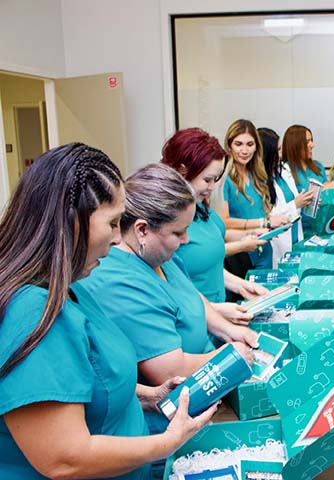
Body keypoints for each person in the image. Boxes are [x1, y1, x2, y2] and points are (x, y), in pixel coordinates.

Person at [0, 144, 214, 479]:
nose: (118, 239)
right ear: (71, 223)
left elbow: (88, 381)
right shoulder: (30, 313)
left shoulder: (74, 284)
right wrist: (168, 441)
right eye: (113, 223)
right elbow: (64, 458)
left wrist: (146, 395)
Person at [80, 164, 258, 442]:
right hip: (164, 428)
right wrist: (229, 356)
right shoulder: (118, 279)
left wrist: (227, 329)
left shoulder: (158, 255)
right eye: (178, 233)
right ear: (142, 230)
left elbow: (188, 295)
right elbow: (169, 369)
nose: (186, 240)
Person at [160, 128, 268, 309]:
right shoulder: (166, 220)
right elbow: (172, 292)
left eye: (215, 179)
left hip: (217, 314)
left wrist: (242, 286)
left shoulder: (199, 205)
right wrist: (216, 311)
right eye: (207, 179)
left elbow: (211, 268)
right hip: (195, 318)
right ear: (182, 171)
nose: (212, 187)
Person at [221, 119, 288, 269]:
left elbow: (262, 212)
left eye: (250, 144)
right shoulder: (224, 179)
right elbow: (223, 222)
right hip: (240, 252)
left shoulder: (257, 174)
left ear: (257, 147)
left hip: (264, 248)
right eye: (238, 144)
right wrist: (262, 223)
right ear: (229, 146)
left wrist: (275, 224)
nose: (244, 151)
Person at [259, 127, 313, 266]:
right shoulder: (258, 181)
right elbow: (268, 218)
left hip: (295, 236)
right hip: (278, 242)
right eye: (277, 150)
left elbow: (294, 203)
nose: (280, 153)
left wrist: (305, 201)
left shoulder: (284, 170)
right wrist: (295, 204)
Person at [283, 124, 328, 234]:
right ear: (295, 144)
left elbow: (327, 193)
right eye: (307, 141)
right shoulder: (285, 170)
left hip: (320, 227)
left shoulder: (318, 167)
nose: (312, 145)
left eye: (311, 140)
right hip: (297, 229)